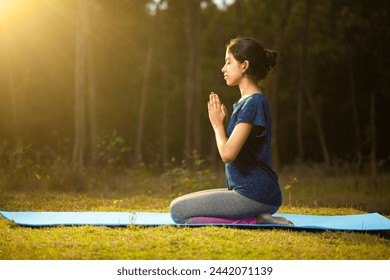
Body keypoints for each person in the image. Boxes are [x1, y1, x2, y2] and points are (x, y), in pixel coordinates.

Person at [170, 37, 292, 226]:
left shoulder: (254, 102)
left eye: (228, 62)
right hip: (253, 193)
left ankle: (255, 220)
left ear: (244, 65)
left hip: (254, 195)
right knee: (179, 206)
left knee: (178, 212)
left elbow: (228, 154)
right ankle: (256, 218)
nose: (223, 69)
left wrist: (218, 125)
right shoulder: (248, 103)